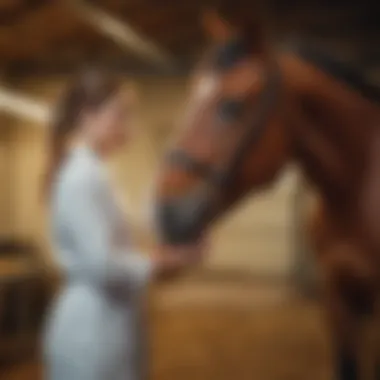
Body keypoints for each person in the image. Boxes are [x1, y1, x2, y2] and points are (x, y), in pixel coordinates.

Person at [42, 68, 205, 380]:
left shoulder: (98, 172)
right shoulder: (82, 177)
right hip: (91, 332)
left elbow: (134, 223)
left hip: (110, 322)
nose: (127, 126)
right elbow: (103, 264)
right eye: (119, 115)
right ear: (88, 116)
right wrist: (160, 262)